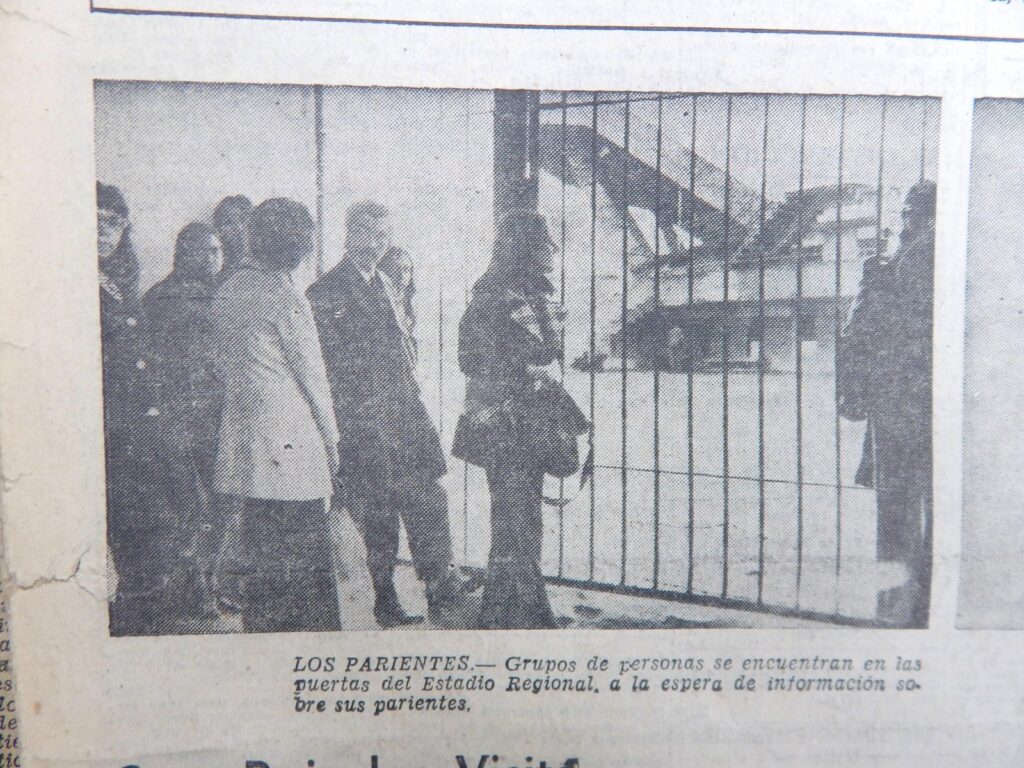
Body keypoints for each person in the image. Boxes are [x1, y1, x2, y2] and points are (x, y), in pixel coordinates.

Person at [307, 201, 463, 628]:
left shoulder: (386, 284)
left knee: (426, 496)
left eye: (383, 236)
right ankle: (385, 597)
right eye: (367, 234)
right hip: (365, 421)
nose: (375, 245)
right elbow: (330, 369)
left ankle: (440, 584)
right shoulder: (326, 291)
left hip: (404, 417)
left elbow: (401, 353)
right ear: (348, 235)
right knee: (378, 513)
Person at [212, 198, 341, 633]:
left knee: (262, 556)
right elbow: (315, 382)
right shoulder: (287, 297)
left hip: (244, 438)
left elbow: (221, 365)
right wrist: (332, 441)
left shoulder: (228, 289)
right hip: (291, 445)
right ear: (300, 247)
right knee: (304, 562)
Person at [453, 209, 587, 629]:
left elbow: (549, 350)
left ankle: (512, 607)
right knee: (514, 516)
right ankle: (515, 612)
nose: (554, 250)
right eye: (546, 243)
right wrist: (523, 369)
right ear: (526, 248)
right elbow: (470, 359)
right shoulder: (490, 298)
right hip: (505, 422)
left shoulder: (540, 295)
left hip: (533, 420)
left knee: (523, 516)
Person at [838, 180, 936, 628]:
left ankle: (897, 614)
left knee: (896, 512)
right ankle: (926, 608)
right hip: (937, 402)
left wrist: (852, 392)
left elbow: (859, 332)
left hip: (898, 400)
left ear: (912, 217)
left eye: (905, 213)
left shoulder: (892, 266)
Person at [97, 182, 177, 635]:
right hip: (106, 427)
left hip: (135, 426)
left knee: (145, 529)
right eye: (98, 219)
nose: (106, 231)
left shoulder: (120, 281)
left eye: (116, 222)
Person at [141, 222, 225, 622]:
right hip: (179, 421)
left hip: (212, 417)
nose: (213, 258)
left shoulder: (219, 295)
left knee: (213, 505)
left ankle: (206, 587)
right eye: (205, 251)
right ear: (183, 254)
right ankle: (194, 590)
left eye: (217, 251)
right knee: (190, 507)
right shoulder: (162, 299)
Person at [212, 194, 253, 281]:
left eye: (243, 220)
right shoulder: (217, 272)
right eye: (228, 222)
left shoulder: (265, 267)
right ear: (218, 230)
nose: (238, 228)